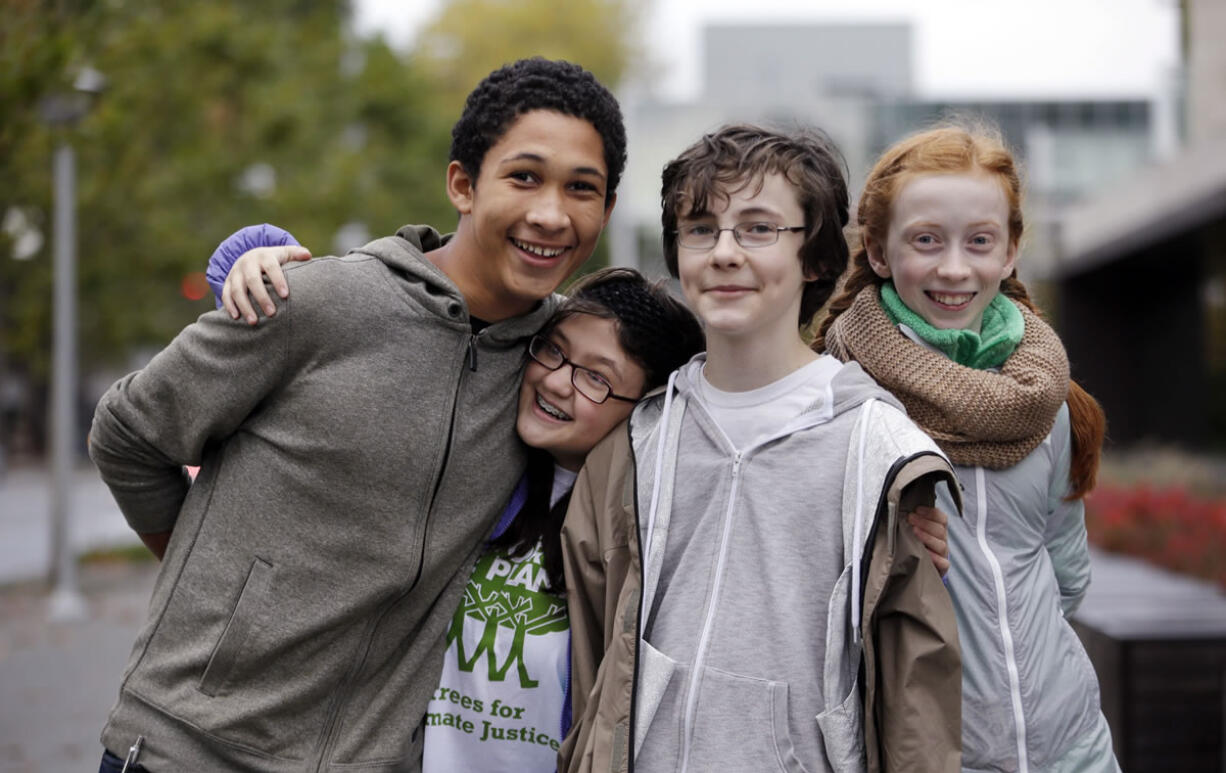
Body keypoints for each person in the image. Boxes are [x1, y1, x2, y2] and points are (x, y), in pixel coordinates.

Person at [88, 57, 625, 773]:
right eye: (524, 177)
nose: (551, 214)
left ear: (607, 211)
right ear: (463, 184)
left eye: (581, 189)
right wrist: (219, 587)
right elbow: (126, 432)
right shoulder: (310, 303)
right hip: (187, 751)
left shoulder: (554, 364)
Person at [560, 124, 964, 773]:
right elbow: (590, 668)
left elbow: (917, 696)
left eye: (757, 228)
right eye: (700, 228)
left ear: (816, 257)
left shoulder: (879, 452)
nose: (723, 252)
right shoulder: (635, 444)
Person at [815, 125, 1118, 772]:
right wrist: (889, 554)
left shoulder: (1046, 400)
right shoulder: (843, 396)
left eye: (979, 241)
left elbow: (1068, 575)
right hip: (933, 753)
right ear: (876, 249)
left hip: (1074, 744)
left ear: (1010, 252)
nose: (955, 267)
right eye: (926, 240)